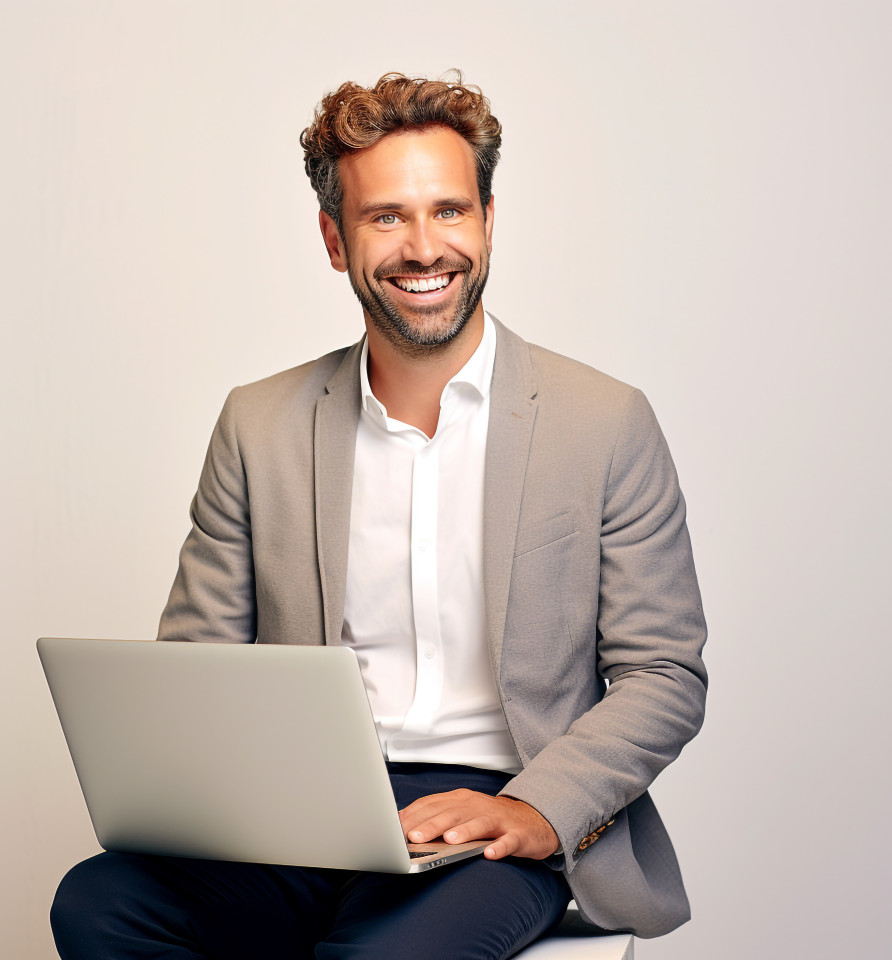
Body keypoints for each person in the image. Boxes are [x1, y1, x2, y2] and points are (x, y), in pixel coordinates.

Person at [50, 72, 708, 960]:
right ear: (335, 237)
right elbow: (197, 669)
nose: (424, 247)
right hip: (302, 817)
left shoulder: (604, 421)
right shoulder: (259, 423)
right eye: (386, 216)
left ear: (486, 222)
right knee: (99, 906)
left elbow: (663, 673)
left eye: (450, 211)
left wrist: (532, 807)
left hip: (496, 814)